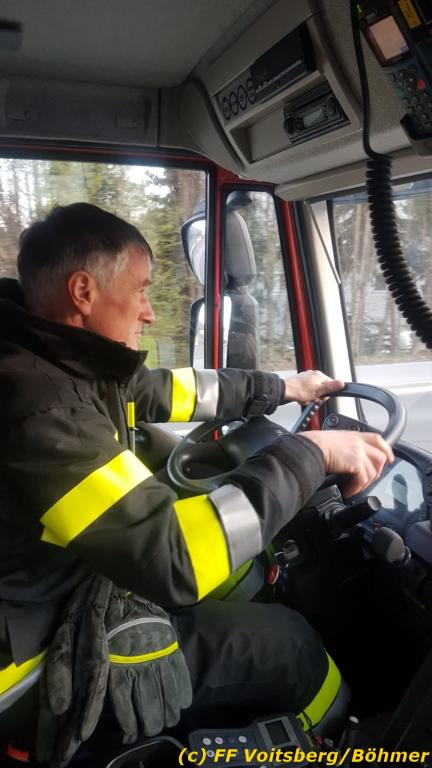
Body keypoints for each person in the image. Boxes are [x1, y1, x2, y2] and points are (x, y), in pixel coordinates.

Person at [0, 203, 393, 763]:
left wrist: (284, 388)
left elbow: (169, 390)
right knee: (290, 646)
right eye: (140, 290)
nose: (148, 313)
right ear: (83, 292)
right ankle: (347, 747)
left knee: (239, 580)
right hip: (26, 660)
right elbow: (176, 558)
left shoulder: (57, 355)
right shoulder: (40, 408)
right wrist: (312, 453)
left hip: (47, 590)